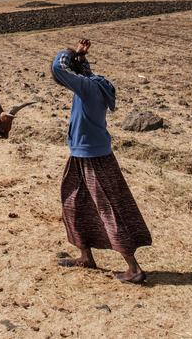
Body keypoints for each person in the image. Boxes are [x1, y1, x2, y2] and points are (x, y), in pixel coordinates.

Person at [50, 39, 152, 284]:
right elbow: (84, 73)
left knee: (108, 210)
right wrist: (82, 57)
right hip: (84, 154)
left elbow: (58, 68)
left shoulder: (87, 88)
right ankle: (86, 256)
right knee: (74, 202)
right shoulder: (96, 84)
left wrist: (67, 53)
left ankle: (134, 268)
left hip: (91, 157)